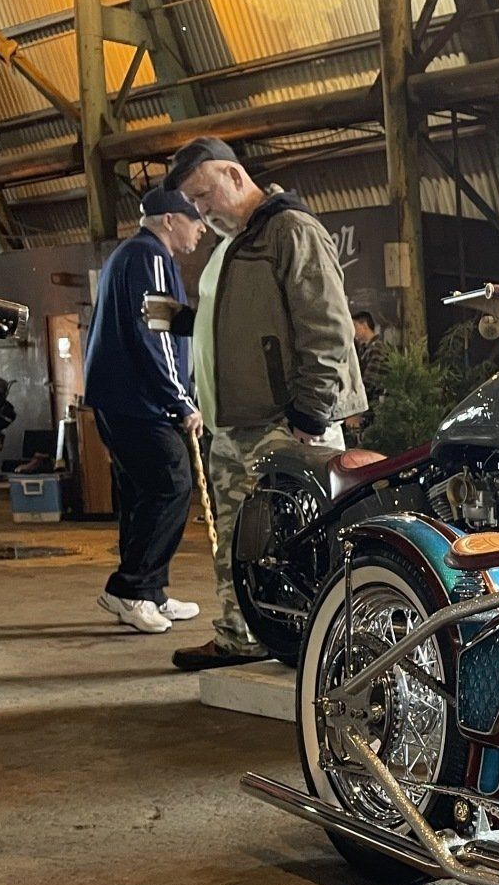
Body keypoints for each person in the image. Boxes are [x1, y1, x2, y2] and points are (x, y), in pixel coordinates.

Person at [159, 136, 367, 670]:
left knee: (301, 540)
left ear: (233, 175)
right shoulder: (235, 241)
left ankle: (325, 645)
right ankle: (239, 634)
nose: (202, 210)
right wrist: (187, 321)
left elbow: (327, 326)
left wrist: (312, 411)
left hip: (286, 423)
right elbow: (248, 319)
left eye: (205, 196)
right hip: (236, 426)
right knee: (236, 541)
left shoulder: (291, 231)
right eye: (194, 204)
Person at [83, 187, 209, 635]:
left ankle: (148, 591)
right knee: (172, 485)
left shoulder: (130, 256)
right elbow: (155, 335)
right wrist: (181, 399)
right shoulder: (151, 257)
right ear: (171, 219)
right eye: (196, 221)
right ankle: (132, 588)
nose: (200, 230)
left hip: (121, 399)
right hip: (140, 401)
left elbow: (168, 327)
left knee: (143, 495)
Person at [346, 310, 387, 445]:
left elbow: (370, 381)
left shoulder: (377, 348)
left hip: (376, 407)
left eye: (354, 326)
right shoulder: (366, 348)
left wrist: (357, 408)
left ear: (364, 325)